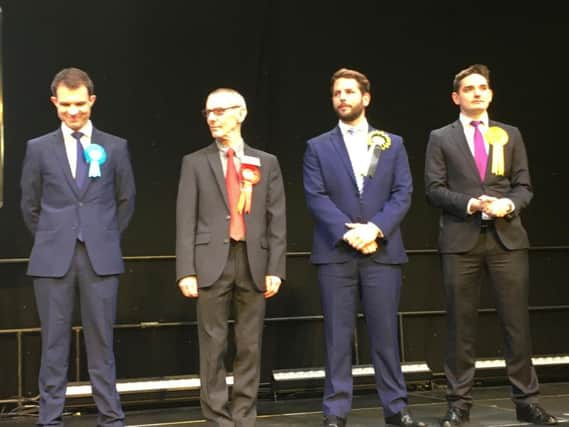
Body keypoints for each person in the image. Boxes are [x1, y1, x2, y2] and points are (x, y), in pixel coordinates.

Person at [424, 64, 558, 426]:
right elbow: (434, 189)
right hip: (460, 239)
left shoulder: (509, 134)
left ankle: (526, 402)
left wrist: (508, 204)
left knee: (517, 325)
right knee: (460, 326)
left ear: (491, 93)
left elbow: (524, 186)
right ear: (457, 97)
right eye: (469, 89)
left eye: (483, 87)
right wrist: (470, 204)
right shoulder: (441, 137)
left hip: (507, 239)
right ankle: (458, 404)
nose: (477, 93)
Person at [303, 68, 425, 427]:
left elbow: (403, 193)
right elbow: (315, 196)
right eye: (337, 93)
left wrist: (374, 229)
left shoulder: (393, 143)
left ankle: (395, 407)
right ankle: (336, 410)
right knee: (337, 336)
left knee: (385, 333)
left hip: (382, 253)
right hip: (336, 253)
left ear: (365, 98)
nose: (342, 98)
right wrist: (349, 233)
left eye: (349, 92)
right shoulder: (318, 146)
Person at [20, 67, 136, 427]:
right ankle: (50, 418)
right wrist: (56, 237)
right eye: (66, 104)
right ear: (55, 103)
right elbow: (30, 205)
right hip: (53, 259)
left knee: (101, 343)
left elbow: (126, 200)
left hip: (100, 258)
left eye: (80, 104)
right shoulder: (37, 148)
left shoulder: (114, 147)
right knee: (53, 345)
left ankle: (110, 417)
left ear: (92, 102)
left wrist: (102, 237)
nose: (73, 112)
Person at [176, 88, 286, 427]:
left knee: (249, 346)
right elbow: (185, 219)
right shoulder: (194, 162)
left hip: (254, 261)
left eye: (220, 111)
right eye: (208, 112)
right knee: (213, 346)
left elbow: (276, 217)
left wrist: (276, 268)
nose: (213, 118)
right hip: (211, 263)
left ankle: (244, 417)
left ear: (241, 114)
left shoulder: (266, 162)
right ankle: (218, 419)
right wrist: (185, 270)